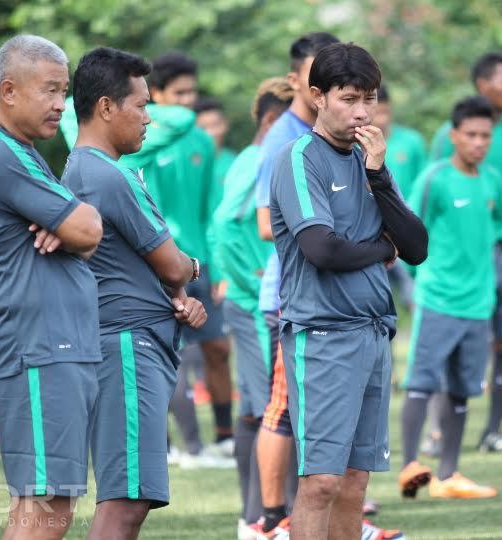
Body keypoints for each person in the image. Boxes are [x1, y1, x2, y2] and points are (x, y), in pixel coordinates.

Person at [271, 42, 426, 539]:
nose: (362, 111)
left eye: (371, 99)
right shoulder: (299, 158)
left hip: (372, 334)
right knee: (320, 482)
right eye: (349, 98)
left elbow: (417, 246)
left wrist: (378, 176)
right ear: (318, 96)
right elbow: (323, 249)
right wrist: (381, 251)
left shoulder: (370, 161)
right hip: (321, 336)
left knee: (356, 482)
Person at [0, 34, 103, 540]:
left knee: (50, 500)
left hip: (53, 348)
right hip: (35, 349)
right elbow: (89, 229)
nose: (61, 104)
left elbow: (83, 239)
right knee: (45, 504)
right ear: (10, 90)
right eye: (50, 90)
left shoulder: (24, 152)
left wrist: (69, 230)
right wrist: (71, 227)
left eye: (64, 91)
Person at [63, 46, 208, 539]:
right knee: (125, 499)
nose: (149, 118)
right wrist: (192, 268)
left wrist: (174, 292)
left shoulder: (92, 170)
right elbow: (172, 262)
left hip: (133, 341)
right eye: (142, 106)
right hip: (126, 347)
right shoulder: (105, 175)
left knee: (132, 495)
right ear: (106, 108)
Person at [431, 52, 502, 454]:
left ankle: (493, 429)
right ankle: (439, 431)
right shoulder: (448, 135)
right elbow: (435, 191)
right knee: (450, 343)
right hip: (465, 259)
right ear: (483, 85)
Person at [253, 32, 340, 539]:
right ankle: (269, 517)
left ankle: (329, 513)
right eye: (317, 75)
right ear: (296, 81)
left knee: (322, 414)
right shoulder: (283, 139)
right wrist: (331, 233)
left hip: (328, 299)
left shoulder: (335, 136)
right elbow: (267, 223)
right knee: (283, 411)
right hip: (290, 299)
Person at [400, 96, 502, 500]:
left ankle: (450, 475)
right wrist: (419, 283)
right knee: (421, 383)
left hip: (478, 305)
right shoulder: (433, 179)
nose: (479, 142)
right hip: (438, 299)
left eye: (485, 136)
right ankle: (410, 465)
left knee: (462, 389)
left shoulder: (492, 180)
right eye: (471, 135)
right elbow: (408, 233)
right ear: (454, 136)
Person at [210, 77, 293, 536]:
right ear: (272, 119)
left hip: (252, 300)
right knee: (275, 413)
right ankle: (266, 516)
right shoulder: (262, 156)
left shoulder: (255, 156)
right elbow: (224, 222)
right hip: (256, 302)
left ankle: (253, 515)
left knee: (258, 411)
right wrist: (245, 276)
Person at [146, 51, 235, 451]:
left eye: (192, 92)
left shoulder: (202, 140)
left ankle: (224, 436)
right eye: (178, 93)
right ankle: (161, 442)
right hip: (161, 264)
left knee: (218, 347)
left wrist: (219, 267)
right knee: (164, 356)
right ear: (156, 94)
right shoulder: (143, 138)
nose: (187, 101)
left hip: (202, 263)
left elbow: (211, 210)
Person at [373, 84, 426, 311]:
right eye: (378, 113)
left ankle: (419, 343)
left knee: (414, 298)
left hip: (404, 231)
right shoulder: (358, 144)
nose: (382, 119)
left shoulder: (411, 141)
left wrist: (405, 223)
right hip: (375, 234)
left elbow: (421, 185)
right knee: (378, 301)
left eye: (386, 112)